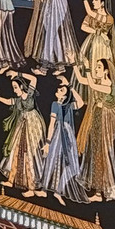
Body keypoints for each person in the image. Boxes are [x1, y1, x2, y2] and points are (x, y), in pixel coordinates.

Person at [74, 57, 115, 200]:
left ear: (106, 71)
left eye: (99, 67)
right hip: (97, 117)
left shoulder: (110, 86)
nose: (96, 69)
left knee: (102, 154)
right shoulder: (99, 82)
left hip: (106, 120)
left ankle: (103, 190)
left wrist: (87, 67)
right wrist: (74, 63)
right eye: (96, 67)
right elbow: (81, 80)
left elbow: (91, 84)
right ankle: (98, 191)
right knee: (95, 153)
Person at [0, 73, 46, 196]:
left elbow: (34, 78)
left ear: (22, 86)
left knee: (28, 155)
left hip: (33, 127)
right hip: (22, 126)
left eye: (16, 87)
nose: (14, 90)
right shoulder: (18, 100)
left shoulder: (30, 94)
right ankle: (11, 180)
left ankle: (31, 188)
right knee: (15, 151)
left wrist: (17, 73)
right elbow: (8, 101)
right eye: (13, 88)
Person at [41, 75, 88, 205]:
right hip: (58, 134)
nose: (59, 90)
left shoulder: (69, 106)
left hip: (68, 135)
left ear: (66, 95)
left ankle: (58, 190)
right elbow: (51, 124)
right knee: (51, 160)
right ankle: (44, 189)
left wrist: (70, 86)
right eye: (59, 89)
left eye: (62, 90)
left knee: (73, 167)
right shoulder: (55, 105)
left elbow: (81, 102)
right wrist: (48, 142)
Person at [74, 0, 115, 70]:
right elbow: (83, 27)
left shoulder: (109, 18)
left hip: (103, 45)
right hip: (91, 43)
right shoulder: (91, 15)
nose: (93, 2)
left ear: (102, 3)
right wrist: (97, 32)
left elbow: (89, 12)